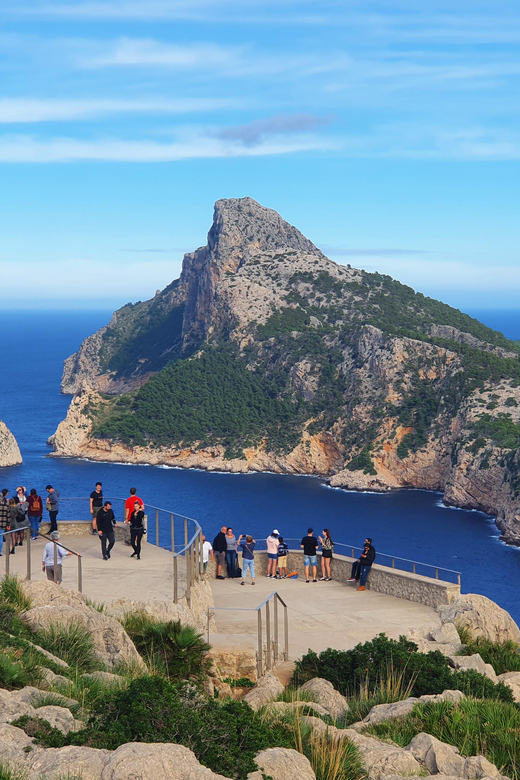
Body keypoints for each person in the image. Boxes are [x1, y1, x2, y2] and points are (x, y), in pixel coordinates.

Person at [0, 489, 9, 556]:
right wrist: (8, 523)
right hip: (3, 523)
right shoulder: (6, 504)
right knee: (1, 537)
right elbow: (8, 515)